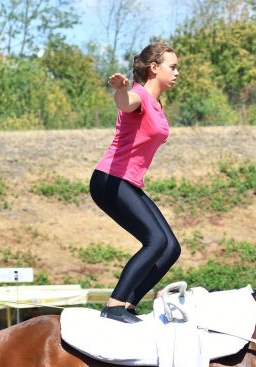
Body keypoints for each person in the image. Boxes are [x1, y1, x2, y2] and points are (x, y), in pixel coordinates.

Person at [90, 43, 181, 324]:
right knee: (154, 241)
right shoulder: (139, 96)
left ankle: (128, 303)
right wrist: (119, 89)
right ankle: (114, 305)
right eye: (173, 67)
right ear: (154, 68)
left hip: (128, 183)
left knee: (171, 247)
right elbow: (125, 102)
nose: (177, 72)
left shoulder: (156, 104)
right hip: (110, 180)